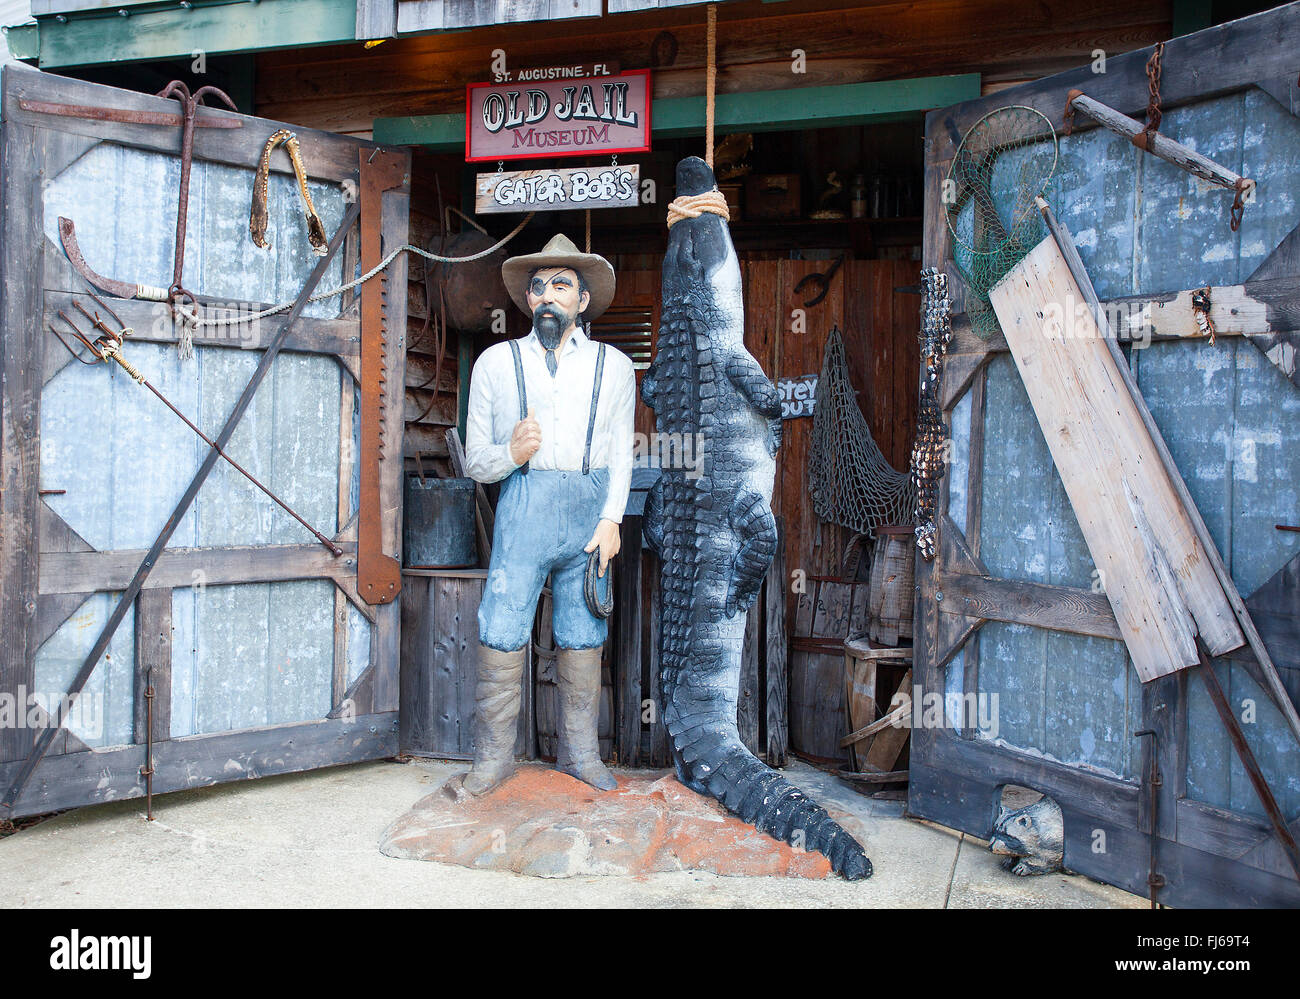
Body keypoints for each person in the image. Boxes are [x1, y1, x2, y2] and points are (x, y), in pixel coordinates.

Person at [460, 233, 636, 794]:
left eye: (561, 286)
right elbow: (476, 462)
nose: (547, 297)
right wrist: (509, 453)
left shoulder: (614, 367)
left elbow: (619, 453)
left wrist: (612, 519)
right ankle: (493, 759)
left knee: (583, 629)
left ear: (583, 300)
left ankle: (581, 755)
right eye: (538, 288)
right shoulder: (495, 362)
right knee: (503, 624)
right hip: (524, 507)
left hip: (589, 514)